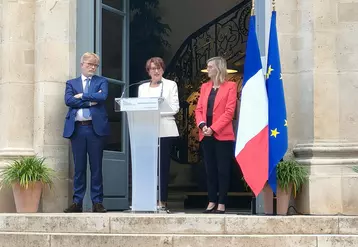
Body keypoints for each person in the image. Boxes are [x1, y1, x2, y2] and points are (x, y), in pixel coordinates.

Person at [63, 52, 110, 213]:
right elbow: (69, 100)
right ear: (82, 64)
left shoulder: (101, 81)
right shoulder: (71, 83)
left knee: (96, 167)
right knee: (79, 167)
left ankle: (97, 202)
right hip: (77, 130)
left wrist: (82, 96)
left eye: (95, 65)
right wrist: (91, 100)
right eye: (90, 64)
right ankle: (77, 202)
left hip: (95, 129)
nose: (92, 67)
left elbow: (103, 96)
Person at [195, 56, 237, 214]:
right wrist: (202, 125)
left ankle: (222, 203)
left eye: (210, 66)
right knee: (210, 169)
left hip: (222, 134)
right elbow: (199, 110)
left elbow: (229, 112)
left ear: (219, 68)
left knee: (223, 170)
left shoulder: (230, 86)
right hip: (205, 133)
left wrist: (213, 128)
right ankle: (211, 200)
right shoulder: (205, 87)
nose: (208, 69)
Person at [138, 57, 180, 211]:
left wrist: (156, 112)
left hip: (165, 129)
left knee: (163, 166)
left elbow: (174, 108)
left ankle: (162, 200)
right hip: (146, 129)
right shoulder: (142, 88)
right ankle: (146, 199)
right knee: (148, 165)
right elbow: (139, 107)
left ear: (163, 70)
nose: (156, 71)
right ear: (148, 71)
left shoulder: (171, 85)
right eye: (152, 68)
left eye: (159, 68)